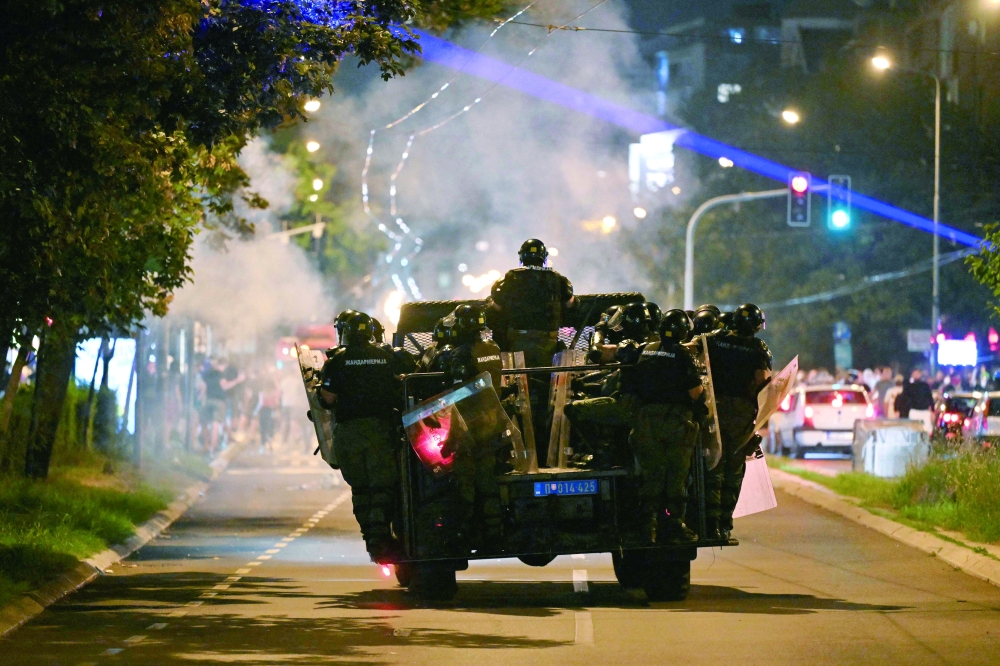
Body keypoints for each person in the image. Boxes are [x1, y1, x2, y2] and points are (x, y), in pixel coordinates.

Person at [319, 311, 404, 563]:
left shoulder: (336, 361)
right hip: (381, 429)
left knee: (361, 487)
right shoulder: (387, 356)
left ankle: (373, 541)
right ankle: (382, 538)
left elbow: (328, 398)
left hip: (349, 431)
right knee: (382, 485)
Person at [619, 309, 704, 545]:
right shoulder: (681, 355)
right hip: (675, 422)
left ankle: (648, 526)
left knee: (650, 475)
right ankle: (674, 524)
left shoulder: (645, 349)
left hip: (645, 421)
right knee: (676, 476)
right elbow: (695, 393)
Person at [705, 303, 772, 542]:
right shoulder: (756, 348)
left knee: (713, 464)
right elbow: (763, 381)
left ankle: (709, 523)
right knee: (733, 468)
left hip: (713, 409)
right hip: (740, 413)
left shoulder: (714, 340)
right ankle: (724, 524)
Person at [486, 238, 575, 368]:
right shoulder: (557, 279)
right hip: (548, 342)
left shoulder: (510, 278)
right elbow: (571, 304)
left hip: (517, 341)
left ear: (522, 256)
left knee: (519, 381)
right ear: (544, 257)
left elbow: (495, 308)